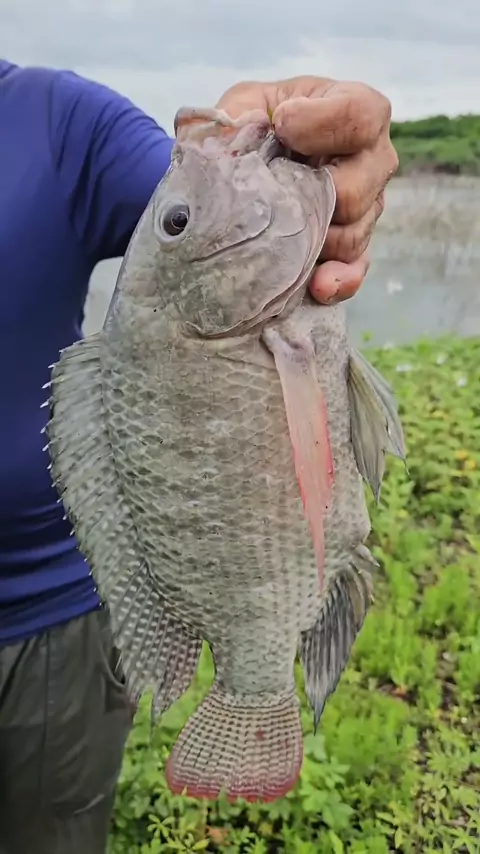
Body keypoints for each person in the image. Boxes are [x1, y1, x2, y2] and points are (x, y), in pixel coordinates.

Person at [0, 59, 398, 854]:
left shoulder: (59, 119)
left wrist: (297, 143)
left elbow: (189, 196)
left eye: (176, 224)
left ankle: (257, 679)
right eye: (180, 223)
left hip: (50, 615)